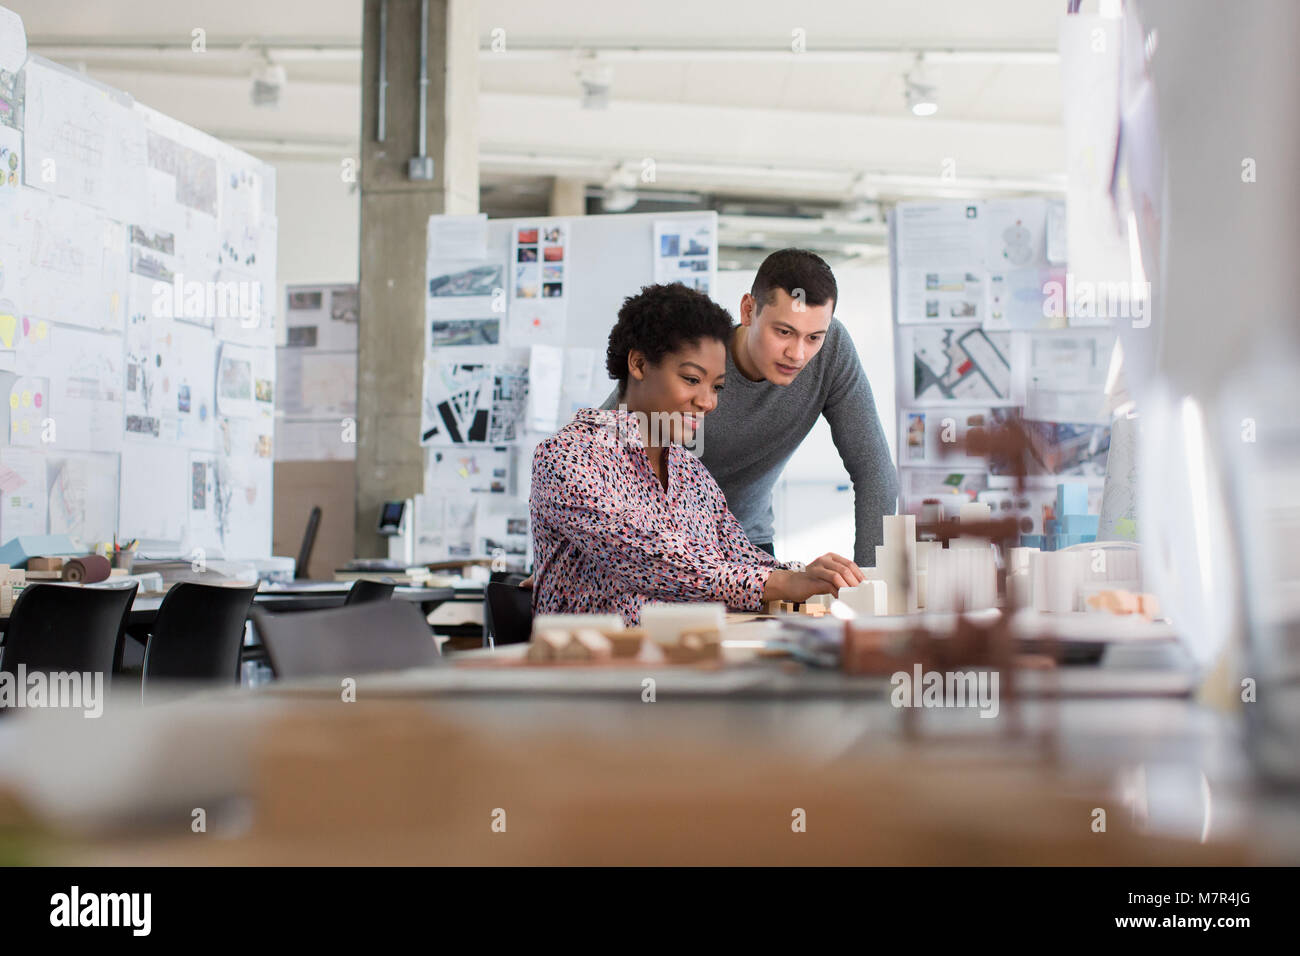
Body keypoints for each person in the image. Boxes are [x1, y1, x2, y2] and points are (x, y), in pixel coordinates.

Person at [530, 283, 864, 625]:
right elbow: (653, 563)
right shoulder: (567, 457)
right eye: (692, 379)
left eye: (716, 387)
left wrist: (811, 575)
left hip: (683, 662)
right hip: (594, 670)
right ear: (640, 364)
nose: (707, 402)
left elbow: (738, 559)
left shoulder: (690, 472)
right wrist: (782, 582)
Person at [602, 249, 897, 567]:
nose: (797, 353)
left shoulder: (832, 350)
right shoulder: (694, 359)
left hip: (747, 546)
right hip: (660, 545)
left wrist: (871, 588)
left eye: (813, 337)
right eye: (783, 332)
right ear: (748, 310)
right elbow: (593, 455)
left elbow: (874, 472)